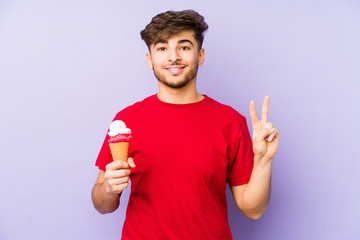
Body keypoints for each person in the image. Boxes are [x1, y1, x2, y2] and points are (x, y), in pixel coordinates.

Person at [92, 9, 279, 239]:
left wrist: (264, 160)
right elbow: (102, 205)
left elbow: (253, 209)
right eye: (162, 48)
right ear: (150, 60)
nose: (173, 57)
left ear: (200, 56)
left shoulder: (230, 122)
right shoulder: (126, 121)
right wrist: (109, 189)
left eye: (184, 47)